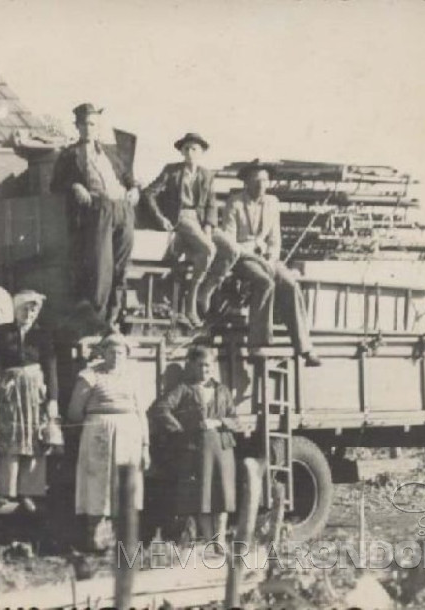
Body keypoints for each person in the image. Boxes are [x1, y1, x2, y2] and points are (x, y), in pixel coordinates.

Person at [215, 161, 322, 367]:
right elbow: (229, 241)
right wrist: (253, 248)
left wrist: (271, 258)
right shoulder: (235, 203)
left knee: (290, 283)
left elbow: (275, 240)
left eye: (264, 180)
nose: (261, 185)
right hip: (242, 258)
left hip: (266, 258)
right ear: (246, 182)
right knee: (264, 282)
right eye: (256, 180)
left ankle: (305, 348)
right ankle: (257, 345)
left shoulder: (273, 203)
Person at [50, 102, 141, 329]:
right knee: (102, 267)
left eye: (93, 124)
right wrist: (74, 186)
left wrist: (134, 189)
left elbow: (127, 176)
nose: (90, 128)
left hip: (122, 208)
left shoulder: (111, 151)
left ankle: (114, 318)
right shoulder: (69, 154)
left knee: (121, 266)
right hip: (98, 210)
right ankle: (97, 322)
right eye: (85, 124)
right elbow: (55, 184)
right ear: (78, 127)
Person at [68, 333, 150, 551]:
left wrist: (145, 446)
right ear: (102, 352)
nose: (116, 357)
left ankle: (122, 541)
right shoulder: (90, 376)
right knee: (98, 485)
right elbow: (75, 412)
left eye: (120, 353)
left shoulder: (133, 376)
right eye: (111, 352)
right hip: (99, 435)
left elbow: (142, 413)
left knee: (124, 484)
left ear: (127, 355)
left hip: (129, 435)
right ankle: (96, 540)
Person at [150, 345, 236, 543]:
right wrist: (182, 430)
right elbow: (161, 409)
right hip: (197, 449)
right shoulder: (184, 389)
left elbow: (235, 418)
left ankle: (220, 540)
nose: (204, 370)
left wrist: (219, 422)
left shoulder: (222, 390)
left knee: (223, 496)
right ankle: (209, 540)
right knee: (203, 497)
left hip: (223, 448)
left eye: (208, 366)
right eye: (200, 366)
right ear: (192, 366)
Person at [0, 290, 60, 513]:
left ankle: (29, 492)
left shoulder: (43, 336)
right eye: (24, 308)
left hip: (35, 390)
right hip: (9, 391)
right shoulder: (2, 332)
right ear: (15, 310)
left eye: (33, 309)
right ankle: (5, 491)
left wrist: (53, 399)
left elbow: (51, 368)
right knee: (10, 438)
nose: (28, 313)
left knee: (35, 439)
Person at [143, 132, 227, 327]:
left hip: (199, 221)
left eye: (194, 149)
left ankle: (206, 291)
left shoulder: (206, 174)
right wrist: (161, 218)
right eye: (186, 148)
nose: (190, 152)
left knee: (229, 249)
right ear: (181, 151)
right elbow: (149, 193)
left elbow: (211, 203)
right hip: (180, 217)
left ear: (201, 153)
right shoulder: (172, 171)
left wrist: (208, 225)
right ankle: (191, 303)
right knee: (209, 249)